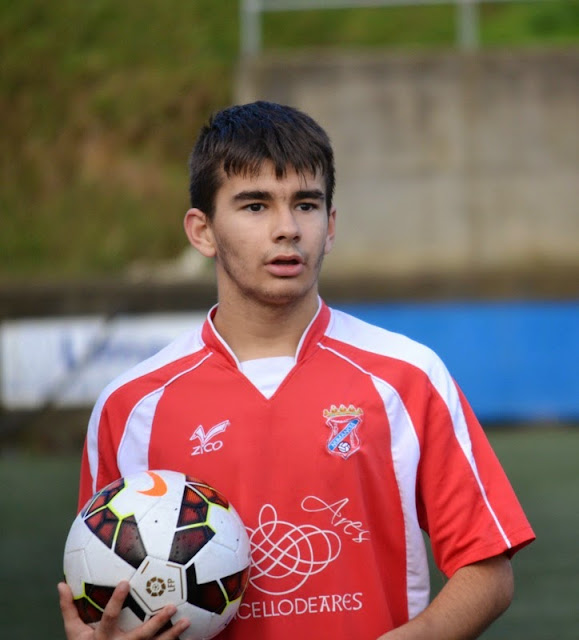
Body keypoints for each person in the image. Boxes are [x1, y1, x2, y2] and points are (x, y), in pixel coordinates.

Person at [58, 100, 535, 640]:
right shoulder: (131, 405)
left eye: (305, 204)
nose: (287, 228)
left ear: (330, 226)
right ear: (202, 231)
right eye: (255, 206)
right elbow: (99, 588)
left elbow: (489, 570)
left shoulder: (408, 376)